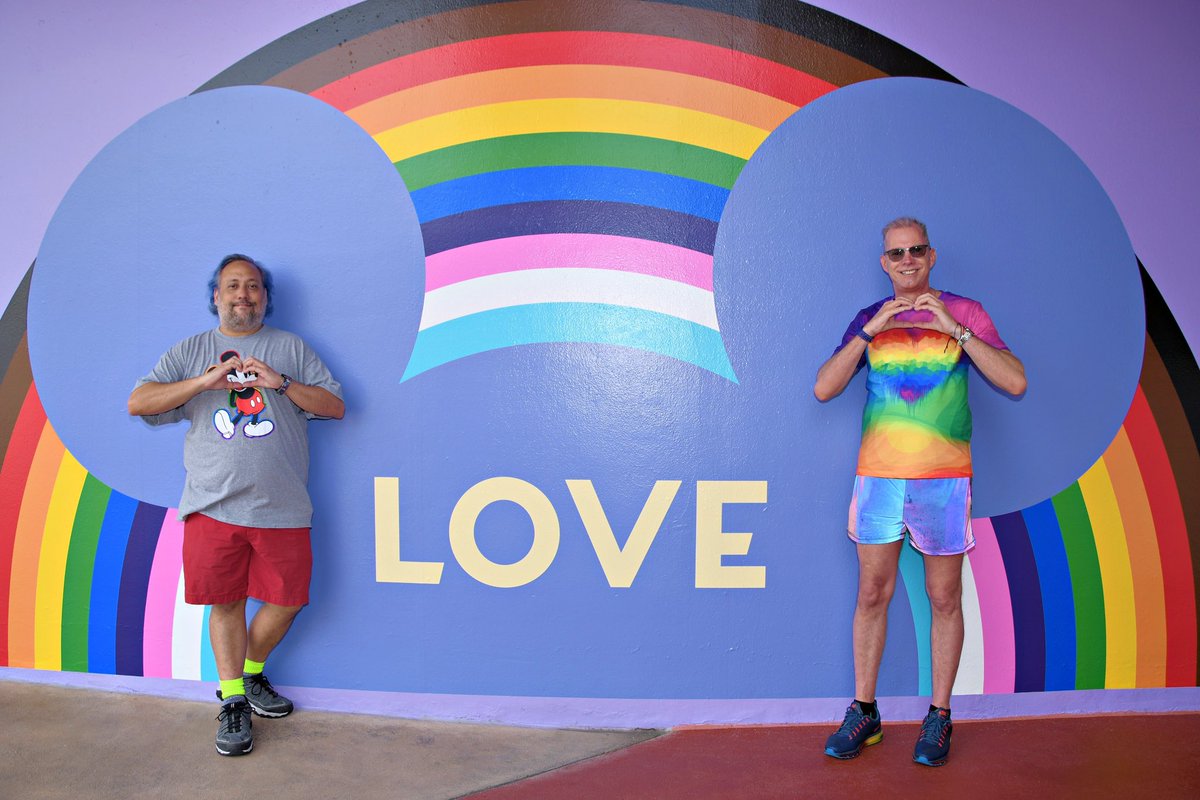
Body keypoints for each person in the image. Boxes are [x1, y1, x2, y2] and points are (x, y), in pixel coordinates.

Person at [813, 218, 1025, 766]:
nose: (906, 259)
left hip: (945, 481)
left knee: (944, 598)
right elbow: (823, 388)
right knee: (871, 595)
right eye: (895, 253)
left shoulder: (966, 312)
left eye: (915, 250)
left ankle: (939, 716)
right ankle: (865, 712)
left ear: (931, 256)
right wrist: (868, 332)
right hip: (879, 478)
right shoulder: (869, 319)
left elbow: (1015, 381)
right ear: (884, 262)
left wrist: (955, 329)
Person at [128, 254, 345, 756]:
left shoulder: (290, 347)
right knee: (224, 604)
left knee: (288, 600)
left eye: (252, 287)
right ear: (216, 297)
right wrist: (204, 383)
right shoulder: (191, 350)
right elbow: (139, 402)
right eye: (232, 286)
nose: (242, 294)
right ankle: (232, 704)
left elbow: (335, 406)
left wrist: (282, 384)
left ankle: (249, 676)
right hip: (211, 504)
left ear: (265, 297)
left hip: (283, 505)